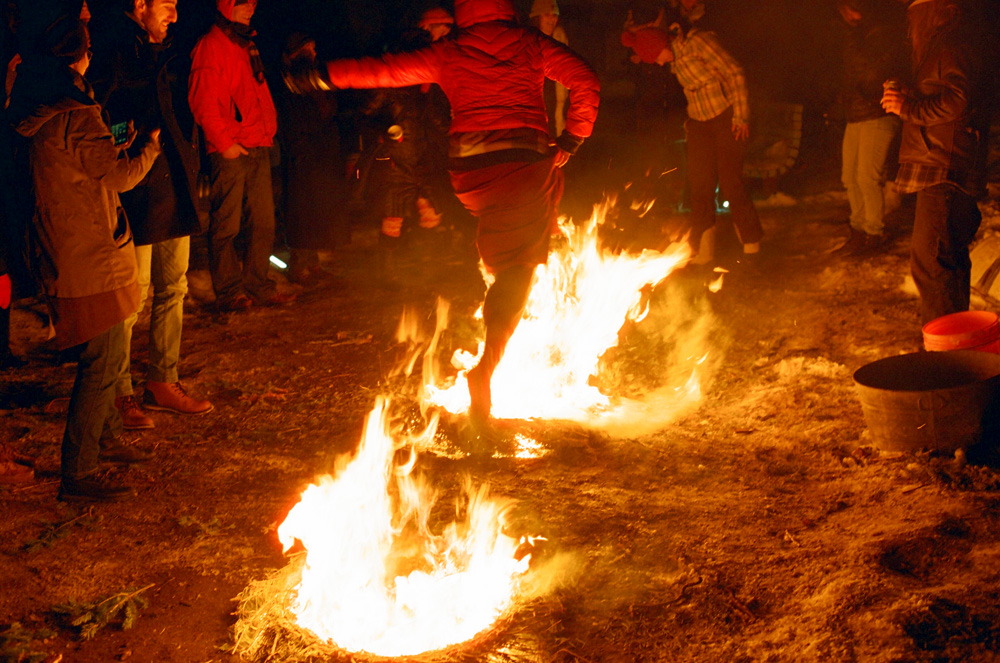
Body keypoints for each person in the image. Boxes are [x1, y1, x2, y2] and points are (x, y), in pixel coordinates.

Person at [285, 0, 600, 430]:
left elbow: (384, 71)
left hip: (470, 175)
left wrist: (319, 76)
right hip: (521, 168)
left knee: (506, 246)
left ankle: (504, 274)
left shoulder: (451, 49)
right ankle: (485, 369)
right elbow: (585, 79)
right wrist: (572, 138)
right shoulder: (529, 43)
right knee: (518, 267)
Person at [10, 15, 161, 501]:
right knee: (101, 358)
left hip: (66, 248)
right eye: (89, 48)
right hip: (88, 254)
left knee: (109, 351)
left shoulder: (43, 105)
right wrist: (148, 149)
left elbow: (82, 166)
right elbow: (119, 178)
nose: (92, 55)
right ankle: (78, 472)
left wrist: (112, 144)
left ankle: (106, 436)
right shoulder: (78, 111)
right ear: (77, 57)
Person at [89, 0, 213, 430]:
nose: (174, 15)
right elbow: (98, 114)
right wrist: (127, 142)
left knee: (174, 286)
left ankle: (162, 379)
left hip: (174, 183)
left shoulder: (171, 51)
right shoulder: (113, 48)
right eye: (166, 5)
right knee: (131, 296)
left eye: (177, 6)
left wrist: (194, 159)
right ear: (140, 5)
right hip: (137, 189)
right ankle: (118, 391)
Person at [880, 0, 993, 324]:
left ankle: (945, 349)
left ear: (929, 12)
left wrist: (908, 108)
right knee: (946, 260)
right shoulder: (948, 42)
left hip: (944, 167)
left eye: (914, 13)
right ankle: (956, 342)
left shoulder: (952, 44)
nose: (910, 23)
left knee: (931, 264)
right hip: (943, 162)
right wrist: (909, 94)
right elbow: (949, 92)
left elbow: (959, 100)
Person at [622, 13, 762, 268]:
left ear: (663, 45)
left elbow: (735, 72)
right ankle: (703, 250)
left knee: (730, 181)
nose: (660, 63)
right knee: (700, 186)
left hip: (727, 117)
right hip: (699, 124)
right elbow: (651, 32)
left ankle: (751, 243)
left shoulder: (699, 43)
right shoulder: (673, 53)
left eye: (657, 57)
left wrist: (741, 116)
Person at [188, 0, 293, 312]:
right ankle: (230, 291)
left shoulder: (246, 45)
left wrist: (267, 130)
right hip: (231, 147)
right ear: (226, 5)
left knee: (263, 222)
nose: (251, 8)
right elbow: (202, 99)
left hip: (257, 143)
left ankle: (257, 284)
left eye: (252, 3)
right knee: (227, 224)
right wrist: (224, 143)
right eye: (242, 3)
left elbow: (255, 93)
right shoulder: (211, 45)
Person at [834, 0, 906, 256]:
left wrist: (850, 36)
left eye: (849, 9)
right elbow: (848, 74)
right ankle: (858, 231)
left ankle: (874, 233)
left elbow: (868, 72)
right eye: (843, 10)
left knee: (867, 177)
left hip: (877, 112)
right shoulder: (856, 34)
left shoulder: (880, 34)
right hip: (855, 112)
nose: (846, 15)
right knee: (850, 177)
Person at [276, 32, 348, 287]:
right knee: (301, 212)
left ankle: (313, 262)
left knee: (317, 210)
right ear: (298, 52)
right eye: (309, 49)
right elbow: (290, 118)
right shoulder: (289, 80)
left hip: (321, 153)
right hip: (302, 154)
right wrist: (300, 149)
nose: (315, 53)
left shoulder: (313, 78)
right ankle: (298, 264)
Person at [529, 0, 569, 137]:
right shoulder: (528, 39)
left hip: (557, 100)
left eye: (554, 15)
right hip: (535, 102)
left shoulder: (560, 38)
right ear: (537, 17)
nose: (552, 19)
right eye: (547, 14)